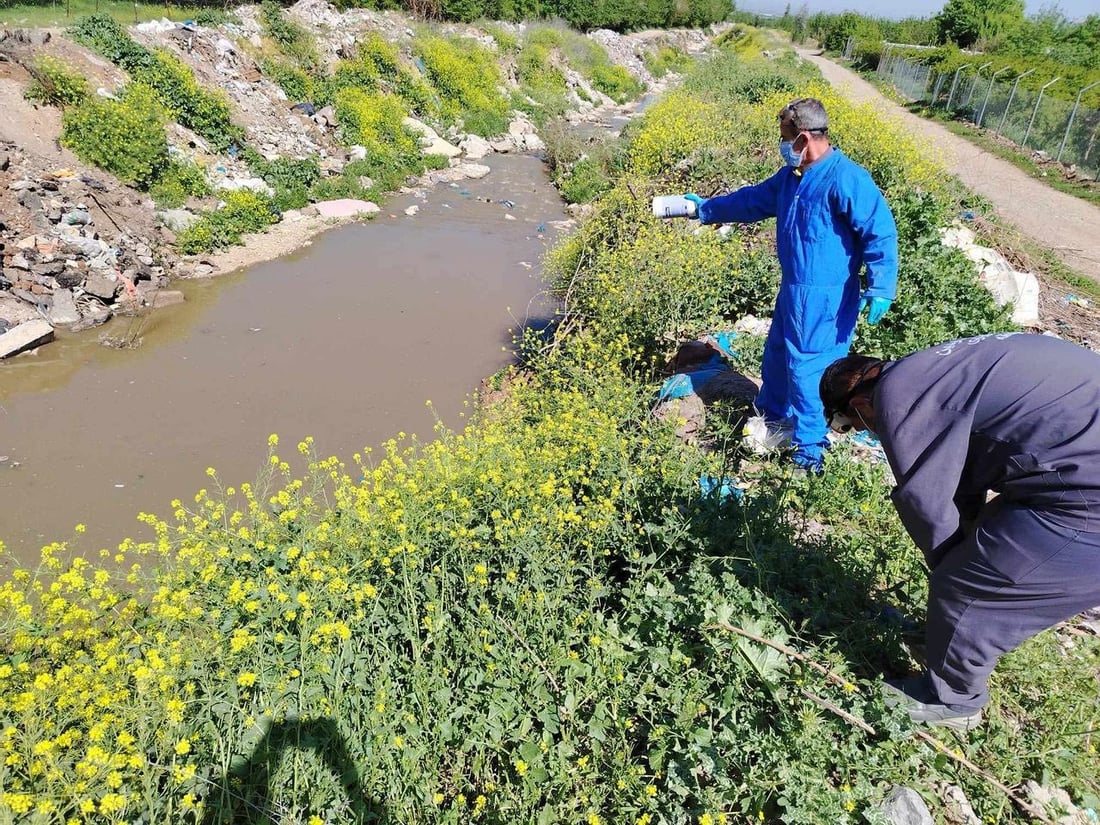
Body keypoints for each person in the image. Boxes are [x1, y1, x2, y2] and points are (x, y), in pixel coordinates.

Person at [819, 333, 1100, 729]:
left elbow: (927, 503)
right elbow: (962, 475)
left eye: (854, 426)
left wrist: (950, 572)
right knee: (980, 546)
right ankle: (948, 634)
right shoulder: (928, 371)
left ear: (862, 404)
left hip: (1088, 495)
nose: (867, 433)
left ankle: (954, 701)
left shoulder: (897, 396)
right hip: (1076, 463)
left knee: (968, 585)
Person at [683, 98, 898, 473]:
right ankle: (773, 421)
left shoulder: (846, 178)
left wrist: (881, 287)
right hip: (794, 291)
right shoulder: (792, 179)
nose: (781, 146)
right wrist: (706, 209)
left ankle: (810, 449)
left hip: (826, 298)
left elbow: (879, 232)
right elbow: (751, 201)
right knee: (779, 357)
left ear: (802, 138)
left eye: (784, 137)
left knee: (810, 370)